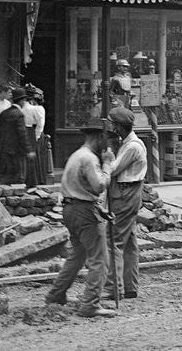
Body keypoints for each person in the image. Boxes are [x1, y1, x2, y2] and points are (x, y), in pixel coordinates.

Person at [45, 118, 116, 317]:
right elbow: (99, 186)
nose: (108, 144)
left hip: (71, 209)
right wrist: (108, 165)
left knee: (77, 256)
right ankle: (90, 304)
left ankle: (56, 294)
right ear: (98, 137)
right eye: (106, 138)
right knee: (100, 259)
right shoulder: (89, 159)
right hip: (84, 210)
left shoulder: (77, 155)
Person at [105, 106, 147, 300]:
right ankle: (130, 286)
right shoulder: (128, 143)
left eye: (113, 125)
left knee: (113, 241)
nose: (112, 128)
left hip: (125, 193)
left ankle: (113, 287)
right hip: (127, 192)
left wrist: (106, 157)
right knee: (129, 242)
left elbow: (112, 169)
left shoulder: (132, 146)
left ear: (120, 127)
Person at [0, 88, 34, 185]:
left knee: (6, 177)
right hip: (16, 151)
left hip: (4, 149)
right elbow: (22, 134)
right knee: (18, 178)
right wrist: (28, 150)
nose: (24, 102)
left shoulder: (4, 113)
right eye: (24, 100)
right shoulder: (19, 114)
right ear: (21, 101)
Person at [22, 85, 47, 186]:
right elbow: (39, 124)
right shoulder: (34, 108)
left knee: (34, 154)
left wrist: (37, 135)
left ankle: (34, 178)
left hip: (32, 132)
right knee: (34, 154)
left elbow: (40, 124)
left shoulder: (35, 108)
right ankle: (35, 179)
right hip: (33, 132)